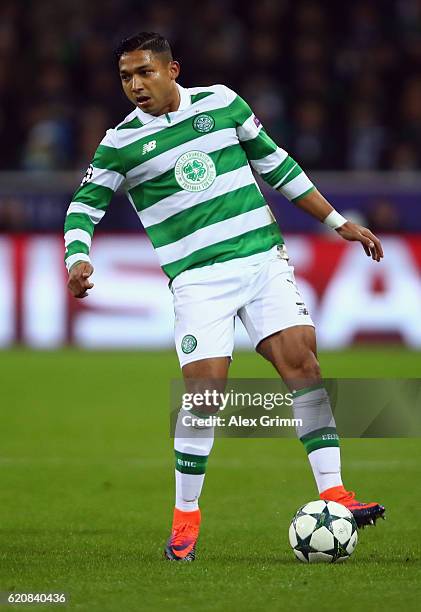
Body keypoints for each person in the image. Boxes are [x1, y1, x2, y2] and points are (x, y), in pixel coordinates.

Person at [64, 32, 385, 562]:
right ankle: (185, 517)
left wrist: (336, 222)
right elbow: (83, 205)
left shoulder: (222, 102)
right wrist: (77, 258)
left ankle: (334, 492)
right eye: (126, 77)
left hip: (262, 261)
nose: (136, 85)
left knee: (302, 362)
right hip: (198, 280)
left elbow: (277, 165)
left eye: (145, 72)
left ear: (172, 70)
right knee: (205, 397)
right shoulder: (120, 143)